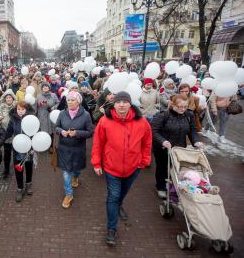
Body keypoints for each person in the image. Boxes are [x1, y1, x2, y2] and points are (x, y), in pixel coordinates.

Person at [91, 91, 152, 246]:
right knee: (113, 196)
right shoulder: (105, 121)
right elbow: (98, 143)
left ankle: (119, 204)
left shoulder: (142, 122)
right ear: (114, 104)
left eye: (125, 102)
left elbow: (147, 142)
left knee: (121, 193)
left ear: (130, 104)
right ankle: (111, 229)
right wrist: (97, 163)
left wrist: (144, 160)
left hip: (133, 167)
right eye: (119, 102)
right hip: (112, 167)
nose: (122, 105)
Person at [151, 94, 203, 199]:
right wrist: (163, 141)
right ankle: (161, 187)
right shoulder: (163, 115)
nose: (183, 109)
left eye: (185, 106)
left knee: (176, 167)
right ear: (173, 104)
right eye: (180, 107)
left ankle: (172, 185)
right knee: (163, 167)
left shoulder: (189, 115)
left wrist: (196, 142)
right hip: (163, 148)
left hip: (179, 147)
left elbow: (192, 130)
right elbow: (153, 131)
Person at [55, 91, 93, 209]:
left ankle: (76, 177)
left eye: (73, 100)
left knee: (76, 169)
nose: (70, 102)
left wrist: (77, 133)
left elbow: (90, 132)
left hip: (78, 149)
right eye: (68, 100)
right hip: (64, 148)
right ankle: (69, 194)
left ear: (79, 102)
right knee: (66, 173)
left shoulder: (86, 115)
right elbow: (56, 127)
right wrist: (61, 131)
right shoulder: (62, 113)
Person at [4, 101, 36, 202]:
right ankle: (20, 188)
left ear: (26, 109)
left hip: (29, 149)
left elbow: (37, 132)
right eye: (18, 109)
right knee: (18, 169)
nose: (20, 111)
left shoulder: (32, 119)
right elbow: (8, 132)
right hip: (18, 149)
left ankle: (29, 184)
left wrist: (34, 146)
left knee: (28, 167)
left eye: (22, 109)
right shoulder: (13, 119)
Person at [0, 89, 17, 179]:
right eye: (7, 97)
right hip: (5, 133)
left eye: (10, 97)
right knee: (7, 153)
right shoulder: (2, 106)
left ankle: (17, 169)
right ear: (5, 99)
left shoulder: (16, 106)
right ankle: (6, 170)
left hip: (15, 133)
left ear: (12, 98)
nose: (8, 99)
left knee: (16, 153)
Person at [36, 82, 59, 152]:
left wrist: (54, 107)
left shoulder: (53, 95)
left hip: (51, 115)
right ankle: (43, 146)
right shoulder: (39, 96)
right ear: (42, 88)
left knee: (51, 131)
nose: (45, 87)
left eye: (46, 86)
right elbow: (36, 105)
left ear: (49, 88)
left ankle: (51, 146)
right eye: (43, 87)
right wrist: (41, 103)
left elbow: (58, 102)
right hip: (42, 115)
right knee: (43, 131)